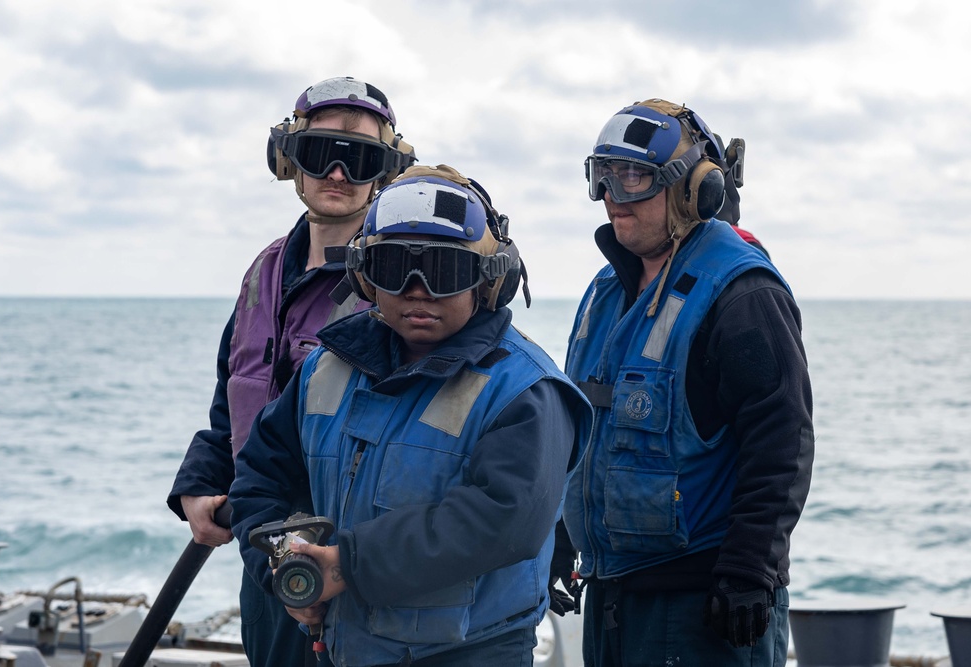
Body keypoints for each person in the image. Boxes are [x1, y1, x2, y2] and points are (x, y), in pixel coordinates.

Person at [228, 165, 594, 667]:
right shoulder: (324, 369)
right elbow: (259, 476)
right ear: (363, 276)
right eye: (394, 268)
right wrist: (286, 562)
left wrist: (346, 566)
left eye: (444, 271)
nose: (418, 290)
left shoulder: (527, 390)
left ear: (489, 280)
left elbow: (506, 519)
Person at [167, 76, 416, 667]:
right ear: (288, 159)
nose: (336, 172)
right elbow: (235, 394)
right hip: (264, 552)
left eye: (359, 159)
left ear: (386, 172)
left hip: (344, 565)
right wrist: (202, 479)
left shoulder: (401, 280)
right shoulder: (265, 270)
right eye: (319, 152)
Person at [561, 98, 814, 666]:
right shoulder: (605, 292)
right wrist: (559, 533)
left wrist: (751, 566)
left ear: (696, 190)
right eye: (603, 177)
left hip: (705, 606)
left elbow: (781, 440)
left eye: (633, 179)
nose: (611, 197)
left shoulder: (744, 295)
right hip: (613, 595)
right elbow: (582, 431)